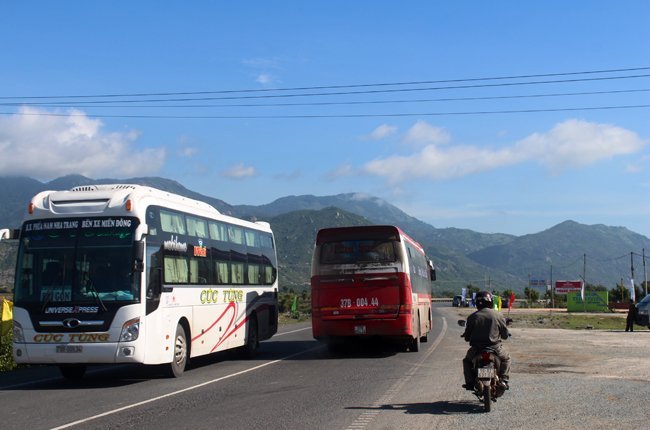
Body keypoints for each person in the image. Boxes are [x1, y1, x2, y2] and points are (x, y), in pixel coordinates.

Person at [461, 290, 511, 391]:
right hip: (495, 348)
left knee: (467, 361)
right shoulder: (498, 315)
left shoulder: (472, 317)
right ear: (490, 302)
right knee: (506, 359)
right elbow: (505, 336)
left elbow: (467, 337)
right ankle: (504, 380)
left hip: (477, 350)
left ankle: (470, 383)